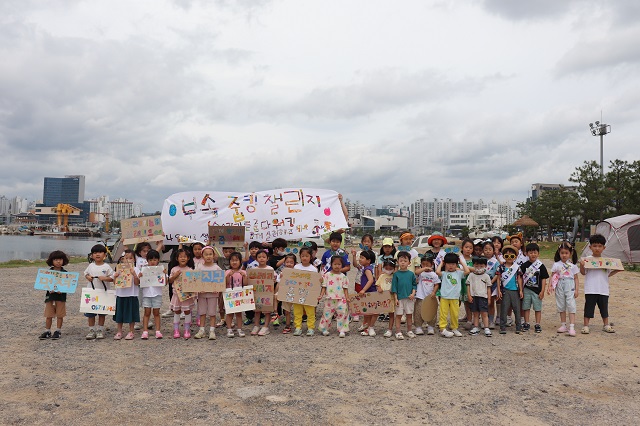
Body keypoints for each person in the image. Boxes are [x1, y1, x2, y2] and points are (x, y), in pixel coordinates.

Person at [580, 234, 622, 334]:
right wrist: (581, 266)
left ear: (604, 248)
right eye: (594, 246)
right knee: (589, 307)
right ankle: (586, 326)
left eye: (599, 246)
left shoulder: (606, 262)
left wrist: (617, 270)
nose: (597, 248)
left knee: (604, 308)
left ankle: (606, 325)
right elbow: (583, 272)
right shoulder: (587, 260)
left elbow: (607, 274)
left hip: (603, 290)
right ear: (590, 247)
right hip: (591, 289)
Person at [435, 252, 470, 338]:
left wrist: (461, 262)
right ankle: (442, 328)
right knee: (443, 313)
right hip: (444, 297)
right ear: (445, 264)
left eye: (453, 264)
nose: (451, 266)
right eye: (448, 264)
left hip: (455, 297)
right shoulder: (444, 274)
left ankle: (454, 328)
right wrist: (441, 263)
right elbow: (437, 272)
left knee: (455, 313)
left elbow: (467, 271)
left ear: (456, 264)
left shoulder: (459, 273)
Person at [83, 244, 114, 340]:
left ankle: (100, 329)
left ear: (105, 255)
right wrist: (88, 277)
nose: (97, 255)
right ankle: (91, 330)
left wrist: (105, 278)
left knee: (101, 312)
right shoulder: (91, 265)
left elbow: (112, 278)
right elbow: (86, 274)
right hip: (92, 292)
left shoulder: (107, 266)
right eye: (95, 253)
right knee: (90, 313)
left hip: (103, 293)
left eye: (100, 252)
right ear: (91, 255)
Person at [549, 242, 580, 337]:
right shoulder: (556, 264)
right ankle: (563, 325)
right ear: (559, 253)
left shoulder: (573, 265)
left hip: (569, 284)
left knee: (571, 304)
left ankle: (571, 327)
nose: (564, 255)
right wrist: (550, 286)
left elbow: (576, 278)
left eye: (566, 253)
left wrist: (577, 289)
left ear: (570, 253)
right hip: (559, 284)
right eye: (562, 253)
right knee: (561, 304)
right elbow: (553, 276)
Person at [39, 250, 70, 340]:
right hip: (50, 297)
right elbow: (44, 284)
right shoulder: (48, 273)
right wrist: (49, 289)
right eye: (56, 259)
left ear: (63, 260)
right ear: (51, 261)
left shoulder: (65, 273)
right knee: (49, 315)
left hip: (61, 297)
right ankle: (47, 331)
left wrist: (62, 290)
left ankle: (58, 331)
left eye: (60, 259)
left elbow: (68, 285)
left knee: (60, 315)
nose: (58, 261)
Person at [518, 243, 549, 333]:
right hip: (526, 289)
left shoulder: (541, 266)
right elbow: (520, 277)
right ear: (527, 254)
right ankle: (527, 323)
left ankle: (537, 324)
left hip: (537, 291)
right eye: (531, 253)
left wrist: (542, 290)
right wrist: (521, 289)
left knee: (537, 308)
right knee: (526, 307)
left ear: (538, 253)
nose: (533, 254)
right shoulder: (524, 265)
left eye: (535, 252)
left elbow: (543, 278)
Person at [194, 246, 223, 340]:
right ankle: (201, 330)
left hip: (213, 294)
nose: (208, 256)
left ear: (214, 255)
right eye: (206, 254)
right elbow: (195, 279)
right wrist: (198, 288)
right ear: (202, 256)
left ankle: (212, 330)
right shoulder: (199, 267)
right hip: (202, 294)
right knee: (202, 312)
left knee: (212, 312)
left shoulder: (216, 268)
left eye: (210, 254)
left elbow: (220, 280)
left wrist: (217, 288)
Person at [318, 256, 350, 338]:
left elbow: (345, 288)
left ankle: (342, 329)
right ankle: (324, 329)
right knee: (327, 314)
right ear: (331, 264)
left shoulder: (343, 276)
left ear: (342, 265)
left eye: (339, 264)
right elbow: (324, 286)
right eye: (335, 264)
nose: (337, 266)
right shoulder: (327, 275)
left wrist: (347, 297)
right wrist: (321, 295)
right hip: (330, 298)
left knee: (343, 314)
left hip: (341, 299)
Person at [112, 249, 141, 340]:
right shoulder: (119, 268)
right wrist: (115, 277)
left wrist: (134, 274)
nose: (128, 260)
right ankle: (119, 331)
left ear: (134, 260)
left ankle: (131, 331)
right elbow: (115, 283)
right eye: (126, 258)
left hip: (131, 295)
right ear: (122, 259)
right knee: (119, 314)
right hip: (120, 294)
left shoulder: (136, 269)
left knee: (131, 314)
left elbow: (137, 283)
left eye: (130, 258)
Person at [168, 248, 196, 339]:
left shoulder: (190, 270)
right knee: (177, 311)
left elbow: (194, 283)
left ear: (188, 258)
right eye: (180, 257)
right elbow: (170, 281)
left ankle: (186, 329)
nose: (183, 258)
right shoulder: (174, 269)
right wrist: (175, 276)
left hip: (187, 295)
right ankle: (176, 330)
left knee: (187, 311)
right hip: (176, 295)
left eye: (185, 257)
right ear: (177, 258)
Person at [391, 251, 418, 340]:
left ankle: (409, 330)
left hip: (409, 298)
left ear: (409, 263)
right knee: (398, 315)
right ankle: (398, 331)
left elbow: (414, 285)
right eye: (401, 260)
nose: (403, 262)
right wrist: (395, 298)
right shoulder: (396, 274)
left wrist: (413, 293)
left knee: (409, 315)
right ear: (398, 262)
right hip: (399, 298)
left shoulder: (411, 274)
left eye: (405, 261)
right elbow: (394, 287)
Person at [497, 245, 523, 335]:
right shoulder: (501, 267)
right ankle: (502, 327)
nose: (509, 258)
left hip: (515, 290)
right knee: (504, 308)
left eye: (511, 256)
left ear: (515, 257)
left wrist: (520, 290)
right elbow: (498, 278)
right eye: (506, 256)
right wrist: (499, 290)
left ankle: (518, 327)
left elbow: (519, 278)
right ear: (503, 256)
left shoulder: (517, 267)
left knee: (517, 309)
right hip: (505, 291)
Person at [292, 247, 318, 336]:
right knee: (297, 311)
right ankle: (298, 327)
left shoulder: (313, 269)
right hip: (298, 293)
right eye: (302, 256)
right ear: (300, 256)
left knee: (310, 312)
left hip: (309, 294)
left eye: (307, 256)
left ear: (311, 257)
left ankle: (310, 328)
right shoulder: (296, 267)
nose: (304, 258)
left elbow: (315, 282)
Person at [139, 249, 164, 339]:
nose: (152, 262)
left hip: (157, 294)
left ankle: (158, 330)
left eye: (154, 260)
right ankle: (145, 331)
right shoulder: (144, 270)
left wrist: (165, 275)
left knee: (156, 312)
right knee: (147, 312)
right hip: (146, 294)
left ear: (158, 260)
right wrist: (140, 277)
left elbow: (166, 282)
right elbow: (138, 282)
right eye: (150, 260)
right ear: (147, 260)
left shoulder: (161, 269)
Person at [413, 254, 440, 336]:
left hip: (430, 297)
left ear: (431, 264)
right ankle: (418, 327)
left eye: (427, 264)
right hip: (420, 296)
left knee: (431, 311)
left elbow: (437, 284)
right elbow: (416, 272)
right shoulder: (420, 273)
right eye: (423, 264)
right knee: (418, 311)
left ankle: (431, 326)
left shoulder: (434, 275)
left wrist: (434, 292)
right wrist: (424, 268)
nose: (425, 266)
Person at [251, 250, 276, 336]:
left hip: (267, 292)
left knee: (267, 310)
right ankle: (256, 325)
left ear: (267, 258)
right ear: (256, 259)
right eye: (259, 257)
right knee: (257, 310)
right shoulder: (254, 270)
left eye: (264, 257)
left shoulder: (270, 269)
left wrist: (274, 279)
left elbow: (275, 278)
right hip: (257, 292)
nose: (261, 259)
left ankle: (265, 327)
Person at [350, 233, 374, 322]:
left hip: (369, 277)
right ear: (362, 242)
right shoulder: (359, 253)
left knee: (368, 296)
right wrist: (353, 255)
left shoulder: (373, 253)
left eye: (368, 241)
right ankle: (356, 312)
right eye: (365, 241)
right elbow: (356, 265)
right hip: (359, 278)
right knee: (358, 294)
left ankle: (366, 312)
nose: (366, 243)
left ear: (372, 243)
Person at [466, 257, 492, 336]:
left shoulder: (486, 276)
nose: (479, 268)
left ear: (485, 266)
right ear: (473, 265)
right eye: (476, 266)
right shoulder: (471, 275)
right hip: (474, 296)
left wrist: (489, 298)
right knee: (475, 313)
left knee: (484, 313)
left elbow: (488, 288)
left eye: (481, 266)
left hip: (483, 297)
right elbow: (468, 286)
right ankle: (476, 327)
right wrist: (469, 295)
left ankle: (486, 327)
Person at [225, 252, 247, 338]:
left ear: (240, 261)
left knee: (239, 313)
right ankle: (229, 329)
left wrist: (244, 277)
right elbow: (225, 284)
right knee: (229, 313)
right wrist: (228, 276)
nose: (234, 262)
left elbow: (245, 284)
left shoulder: (243, 272)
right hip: (229, 295)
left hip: (239, 295)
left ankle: (239, 328)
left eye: (236, 260)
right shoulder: (227, 272)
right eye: (232, 260)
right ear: (229, 261)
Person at [355, 250, 377, 337]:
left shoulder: (367, 269)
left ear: (368, 261)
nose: (360, 259)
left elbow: (371, 280)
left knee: (369, 312)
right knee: (367, 311)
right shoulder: (366, 268)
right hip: (368, 292)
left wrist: (363, 290)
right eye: (360, 257)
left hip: (370, 293)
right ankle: (366, 325)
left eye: (362, 258)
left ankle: (369, 327)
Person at [277, 253, 296, 334]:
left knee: (297, 311)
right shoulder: (282, 272)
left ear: (295, 263)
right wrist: (281, 278)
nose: (289, 264)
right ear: (284, 263)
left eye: (291, 262)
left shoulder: (297, 272)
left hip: (295, 294)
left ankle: (298, 326)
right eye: (287, 262)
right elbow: (278, 283)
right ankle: (287, 326)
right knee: (287, 311)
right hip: (286, 294)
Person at [483, 241, 500, 329]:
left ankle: (491, 320)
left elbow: (498, 274)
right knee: (483, 303)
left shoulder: (496, 262)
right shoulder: (481, 260)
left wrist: (491, 282)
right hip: (481, 285)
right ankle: (484, 320)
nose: (488, 251)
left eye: (490, 249)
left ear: (493, 251)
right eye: (486, 249)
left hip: (492, 285)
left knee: (491, 303)